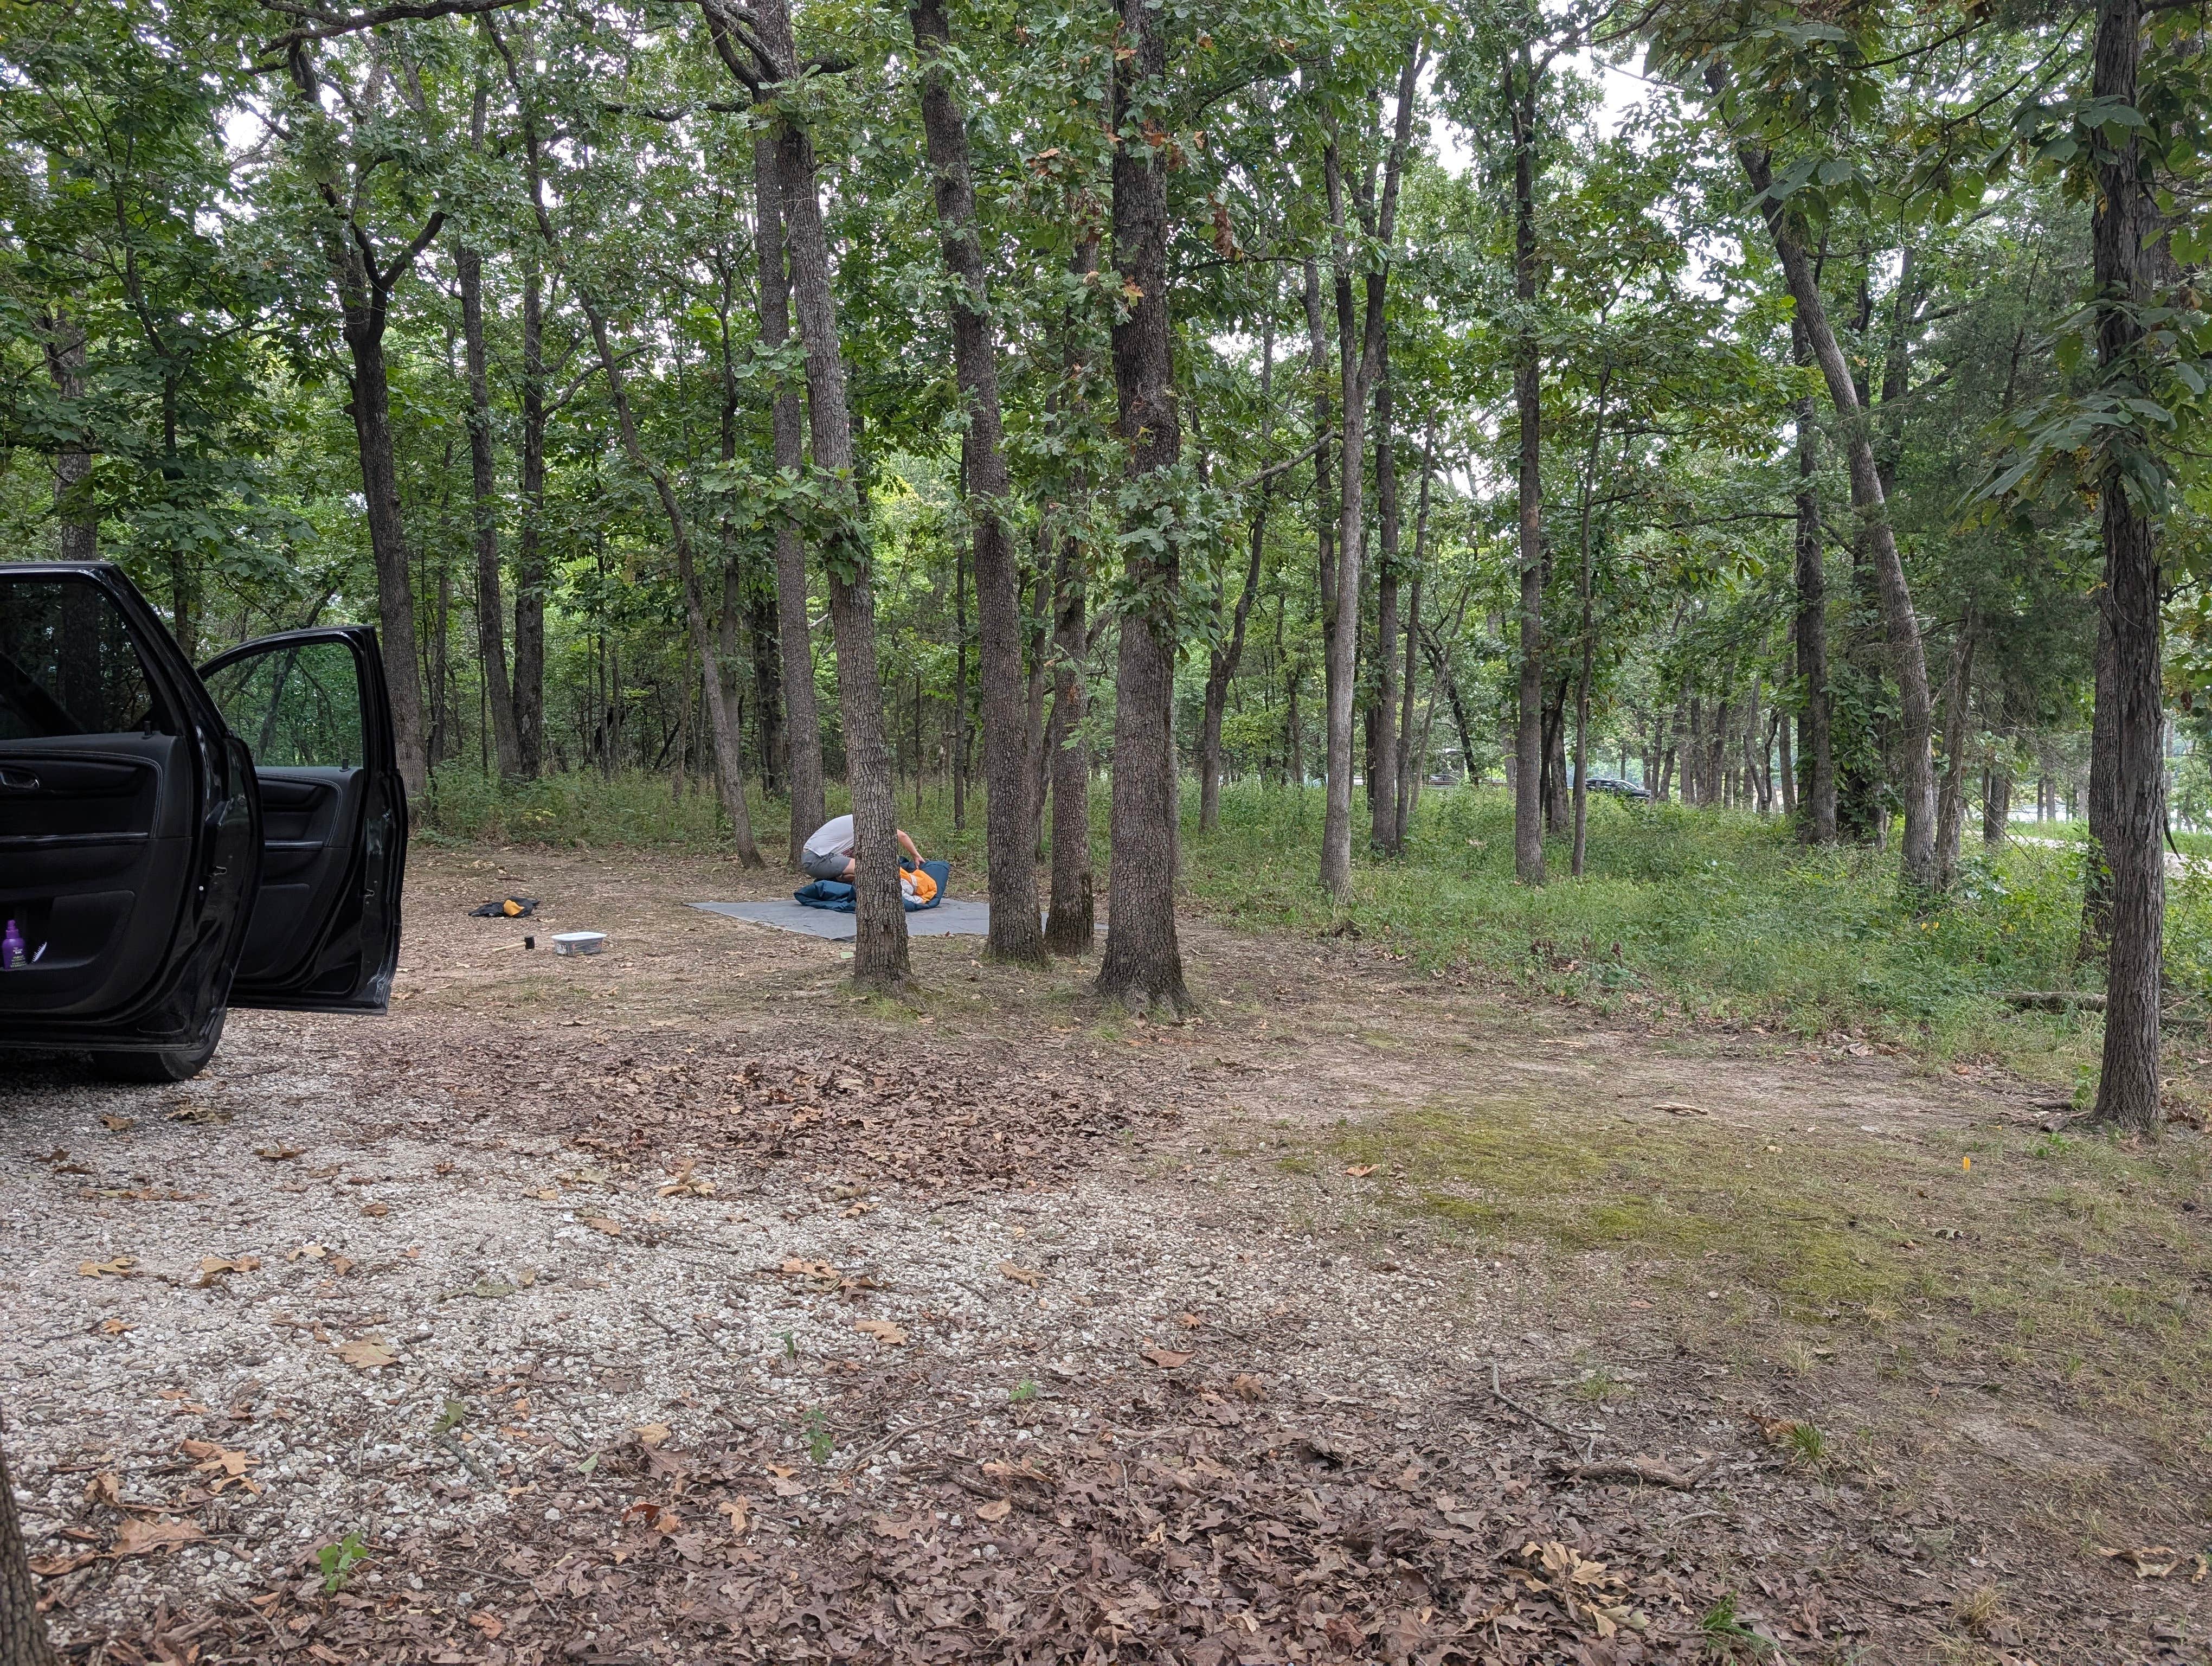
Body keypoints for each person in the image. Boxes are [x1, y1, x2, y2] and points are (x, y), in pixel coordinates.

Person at [800, 813, 920, 883]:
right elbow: (902, 835)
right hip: (818, 858)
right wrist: (916, 856)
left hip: (814, 857)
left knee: (867, 868)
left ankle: (841, 878)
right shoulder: (866, 821)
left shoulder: (857, 822)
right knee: (872, 869)